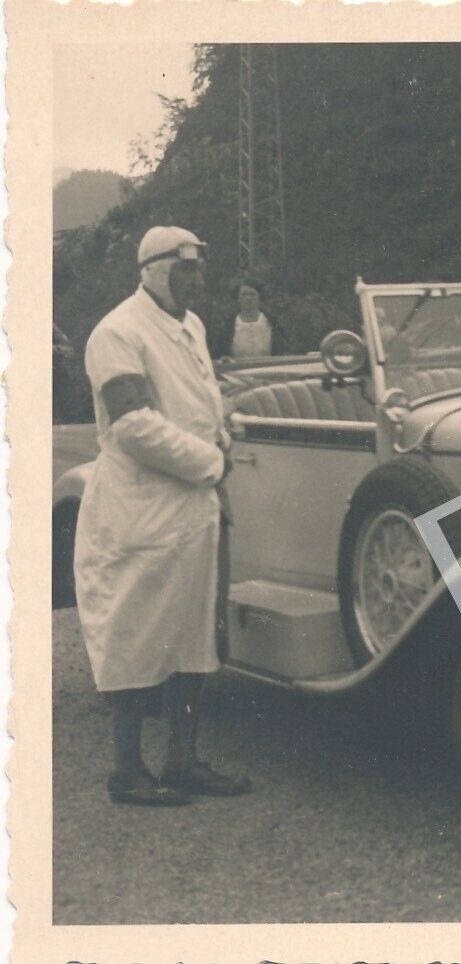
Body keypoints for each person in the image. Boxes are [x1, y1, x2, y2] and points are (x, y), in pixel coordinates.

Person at [74, 225, 252, 806]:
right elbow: (131, 424)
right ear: (154, 269)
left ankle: (182, 760)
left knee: (195, 634)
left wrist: (222, 434)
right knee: (137, 634)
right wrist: (211, 462)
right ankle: (127, 771)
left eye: (198, 269)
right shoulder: (116, 332)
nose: (197, 280)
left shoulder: (191, 326)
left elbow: (196, 401)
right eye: (186, 269)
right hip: (142, 510)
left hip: (193, 507)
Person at [226, 277, 279, 358]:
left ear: (259, 297)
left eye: (252, 294)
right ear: (238, 298)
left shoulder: (272, 322)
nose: (248, 298)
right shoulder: (228, 325)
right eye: (244, 294)